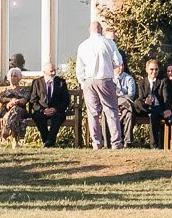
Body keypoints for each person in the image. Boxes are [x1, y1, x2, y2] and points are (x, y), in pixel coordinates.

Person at [74, 20, 123, 150]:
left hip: (89, 81)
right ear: (101, 30)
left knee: (93, 113)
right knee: (111, 110)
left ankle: (96, 143)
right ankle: (116, 142)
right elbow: (118, 61)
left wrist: (83, 83)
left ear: (89, 31)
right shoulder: (109, 43)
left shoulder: (83, 45)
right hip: (105, 79)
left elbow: (79, 68)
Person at [28, 62, 71, 148]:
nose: (54, 73)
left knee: (59, 117)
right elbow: (33, 100)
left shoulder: (61, 82)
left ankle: (49, 142)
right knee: (38, 117)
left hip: (56, 110)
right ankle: (47, 141)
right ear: (45, 71)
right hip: (41, 110)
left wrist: (55, 109)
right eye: (51, 71)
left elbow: (66, 100)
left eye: (54, 71)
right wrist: (43, 110)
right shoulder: (37, 82)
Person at [0, 65, 31, 146]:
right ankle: (15, 141)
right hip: (7, 110)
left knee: (15, 110)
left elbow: (25, 99)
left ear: (19, 78)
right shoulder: (5, 90)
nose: (12, 78)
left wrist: (16, 101)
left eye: (15, 76)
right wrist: (10, 102)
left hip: (21, 111)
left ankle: (7, 129)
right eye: (11, 76)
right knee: (14, 114)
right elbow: (1, 99)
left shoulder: (24, 90)